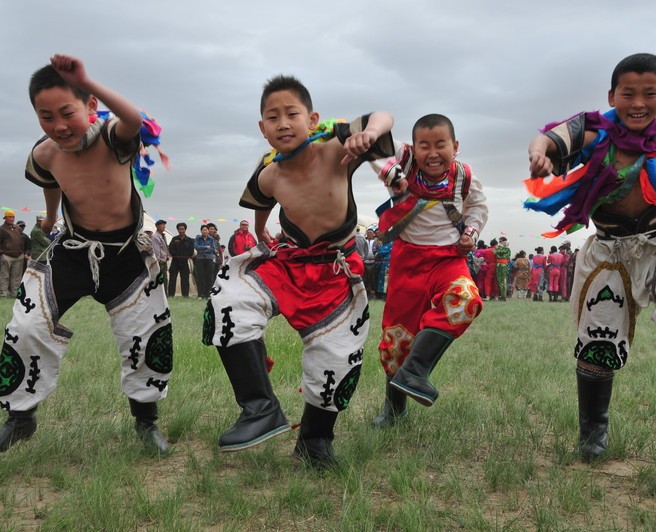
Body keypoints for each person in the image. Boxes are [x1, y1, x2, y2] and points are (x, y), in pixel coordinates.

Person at [526, 53, 656, 461]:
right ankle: (593, 431)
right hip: (608, 247)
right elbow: (550, 138)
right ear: (611, 95)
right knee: (598, 341)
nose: (637, 102)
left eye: (649, 93)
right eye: (627, 93)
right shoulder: (594, 133)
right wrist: (541, 154)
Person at [0, 54, 172, 455]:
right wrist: (50, 217)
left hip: (126, 254)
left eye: (67, 112)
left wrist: (87, 80)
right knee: (27, 325)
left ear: (90, 107)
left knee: (145, 336)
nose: (59, 125)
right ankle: (19, 418)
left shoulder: (113, 139)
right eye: (45, 116)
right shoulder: (45, 152)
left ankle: (146, 423)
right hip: (72, 250)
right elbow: (50, 180)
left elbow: (135, 120)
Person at [202, 74, 394, 469]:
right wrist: (259, 230)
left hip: (336, 271)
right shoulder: (269, 172)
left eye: (292, 113)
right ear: (262, 129)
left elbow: (383, 115)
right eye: (273, 117)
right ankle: (259, 408)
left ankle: (315, 442)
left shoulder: (337, 147)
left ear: (313, 118)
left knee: (337, 361)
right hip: (288, 263)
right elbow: (261, 198)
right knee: (228, 301)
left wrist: (368, 132)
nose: (283, 123)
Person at [369, 113, 487, 426]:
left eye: (440, 145)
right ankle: (394, 410)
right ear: (413, 147)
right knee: (397, 339)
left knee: (466, 300)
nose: (432, 153)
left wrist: (471, 232)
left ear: (455, 146)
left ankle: (416, 371)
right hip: (407, 260)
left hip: (448, 259)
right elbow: (374, 142)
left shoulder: (465, 176)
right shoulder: (404, 161)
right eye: (425, 145)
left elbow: (478, 207)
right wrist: (378, 147)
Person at [0, 210, 26, 297]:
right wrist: (2, 253)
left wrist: (22, 252)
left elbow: (21, 239)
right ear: (5, 218)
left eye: (13, 217)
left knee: (16, 276)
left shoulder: (17, 228)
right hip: (7, 256)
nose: (11, 219)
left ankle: (15, 294)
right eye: (9, 217)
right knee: (5, 276)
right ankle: (3, 294)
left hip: (18, 256)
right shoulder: (1, 229)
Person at [167, 222, 195, 297]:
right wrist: (175, 255)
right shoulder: (174, 239)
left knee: (185, 279)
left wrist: (186, 255)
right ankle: (170, 295)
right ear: (177, 230)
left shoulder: (189, 240)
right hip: (175, 261)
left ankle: (185, 295)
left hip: (185, 261)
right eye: (180, 229)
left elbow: (191, 250)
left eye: (182, 229)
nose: (181, 231)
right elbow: (171, 248)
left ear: (185, 229)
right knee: (172, 279)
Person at [193, 224, 218, 298]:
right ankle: (200, 294)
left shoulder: (211, 239)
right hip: (200, 259)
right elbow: (196, 247)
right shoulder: (198, 238)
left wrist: (203, 249)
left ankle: (208, 294)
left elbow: (213, 249)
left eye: (206, 230)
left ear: (208, 231)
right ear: (201, 231)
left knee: (209, 277)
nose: (205, 231)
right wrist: (206, 247)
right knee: (200, 277)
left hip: (209, 259)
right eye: (203, 230)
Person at [152, 219, 170, 290]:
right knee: (161, 278)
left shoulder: (163, 235)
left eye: (164, 225)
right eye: (162, 225)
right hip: (160, 261)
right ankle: (161, 293)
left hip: (164, 260)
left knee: (164, 278)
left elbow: (165, 248)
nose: (164, 227)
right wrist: (158, 261)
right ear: (157, 226)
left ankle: (165, 293)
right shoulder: (155, 237)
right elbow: (156, 250)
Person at [495, 236, 511, 301]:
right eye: (500, 241)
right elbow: (497, 252)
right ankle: (501, 295)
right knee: (499, 280)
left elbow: (501, 253)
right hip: (499, 265)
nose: (501, 243)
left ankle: (503, 296)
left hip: (503, 265)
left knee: (504, 280)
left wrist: (503, 247)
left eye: (502, 241)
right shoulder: (499, 248)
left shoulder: (507, 249)